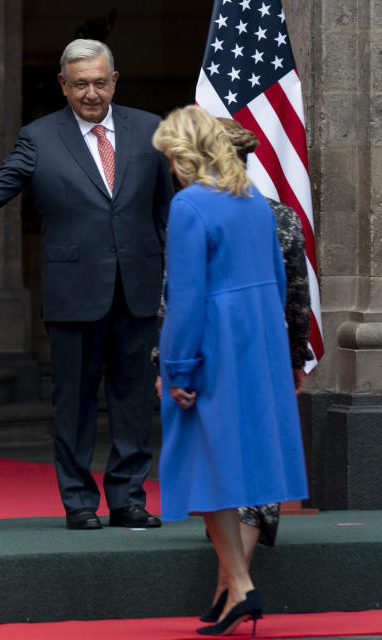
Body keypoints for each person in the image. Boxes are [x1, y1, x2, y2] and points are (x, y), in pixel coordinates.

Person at [0, 39, 173, 530]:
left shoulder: (150, 130)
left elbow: (168, 212)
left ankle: (129, 497)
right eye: (81, 83)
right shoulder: (40, 137)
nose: (92, 93)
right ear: (63, 85)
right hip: (73, 292)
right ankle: (79, 502)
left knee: (133, 399)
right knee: (75, 400)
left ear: (115, 81)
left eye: (100, 82)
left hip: (138, 289)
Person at [152, 105, 308, 636]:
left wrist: (178, 369)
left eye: (171, 155)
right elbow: (275, 281)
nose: (169, 166)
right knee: (225, 471)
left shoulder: (191, 204)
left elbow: (185, 297)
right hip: (256, 345)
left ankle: (238, 587)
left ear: (185, 153)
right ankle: (238, 587)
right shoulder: (255, 204)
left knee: (206, 468)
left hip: (212, 346)